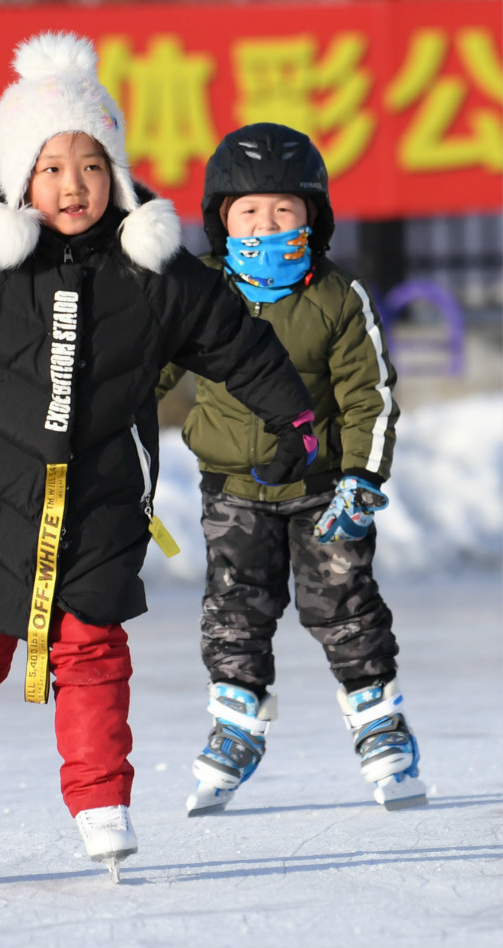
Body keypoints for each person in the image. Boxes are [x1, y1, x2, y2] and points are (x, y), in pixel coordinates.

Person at [0, 37, 316, 885]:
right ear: (20, 176)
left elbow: (238, 347)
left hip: (102, 506)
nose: (72, 185)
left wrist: (297, 417)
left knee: (92, 654)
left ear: (119, 176)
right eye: (52, 166)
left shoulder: (156, 274)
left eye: (92, 165)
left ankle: (102, 810)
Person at [157, 123, 427, 817]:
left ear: (314, 215)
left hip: (324, 490)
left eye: (283, 210)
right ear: (220, 219)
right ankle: (236, 723)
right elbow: (146, 371)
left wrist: (363, 479)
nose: (265, 224)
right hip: (233, 489)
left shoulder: (339, 296)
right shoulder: (201, 292)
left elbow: (370, 393)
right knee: (234, 608)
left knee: (341, 600)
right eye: (247, 212)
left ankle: (377, 717)